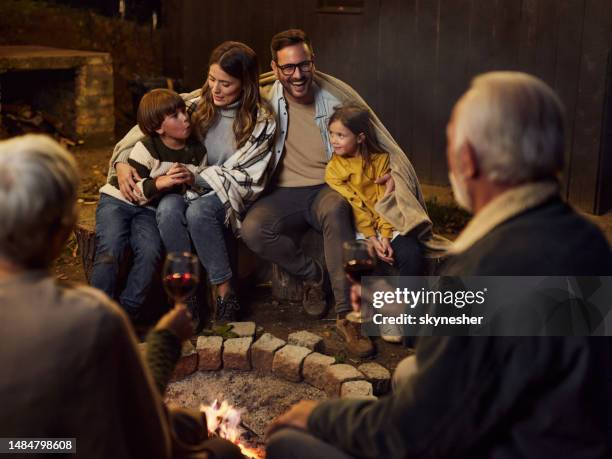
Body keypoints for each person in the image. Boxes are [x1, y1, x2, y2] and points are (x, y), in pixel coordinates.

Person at [265, 72, 612, 458]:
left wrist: (318, 416)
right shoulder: (588, 241)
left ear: (468, 159)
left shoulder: (484, 264)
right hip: (570, 433)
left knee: (288, 443)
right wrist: (411, 309)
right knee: (408, 374)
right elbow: (520, 321)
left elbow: (410, 434)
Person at [0, 134, 242, 459]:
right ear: (63, 228)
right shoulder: (91, 318)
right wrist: (166, 342)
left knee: (185, 421)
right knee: (223, 450)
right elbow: (147, 438)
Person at [241, 29, 435, 358]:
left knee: (336, 211)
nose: (297, 74)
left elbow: (381, 144)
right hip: (283, 192)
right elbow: (202, 100)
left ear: (313, 62)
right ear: (275, 68)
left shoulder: (334, 101)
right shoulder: (262, 99)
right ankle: (314, 276)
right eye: (288, 68)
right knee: (253, 229)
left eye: (304, 65)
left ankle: (348, 316)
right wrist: (124, 159)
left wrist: (395, 179)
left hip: (327, 187)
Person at [109, 41, 277, 323]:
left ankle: (225, 292)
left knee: (199, 212)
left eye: (225, 83)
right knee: (167, 210)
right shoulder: (194, 105)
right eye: (212, 79)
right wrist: (122, 162)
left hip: (227, 192)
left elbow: (249, 176)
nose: (216, 89)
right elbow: (146, 130)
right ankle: (187, 296)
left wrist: (197, 176)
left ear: (246, 83)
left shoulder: (262, 120)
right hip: (184, 187)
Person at [92, 88, 203, 323]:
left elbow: (196, 179)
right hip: (117, 201)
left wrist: (188, 179)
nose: (185, 118)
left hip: (148, 210)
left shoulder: (196, 151)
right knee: (111, 248)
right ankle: (98, 313)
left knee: (151, 252)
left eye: (184, 111)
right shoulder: (146, 147)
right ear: (158, 128)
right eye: (175, 116)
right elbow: (134, 192)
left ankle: (126, 313)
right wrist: (161, 183)